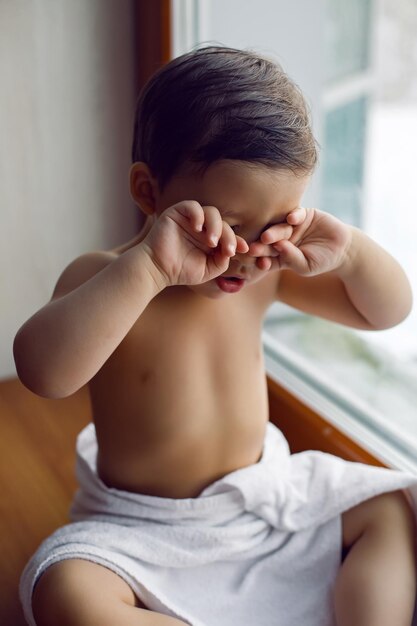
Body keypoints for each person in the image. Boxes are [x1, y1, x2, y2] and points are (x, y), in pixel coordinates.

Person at [14, 46, 417, 626]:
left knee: (385, 503)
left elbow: (387, 311)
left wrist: (350, 252)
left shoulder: (265, 272)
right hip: (148, 533)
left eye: (275, 224)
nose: (248, 253)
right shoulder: (109, 278)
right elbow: (42, 372)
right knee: (66, 591)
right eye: (227, 225)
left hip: (266, 505)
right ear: (149, 193)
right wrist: (150, 269)